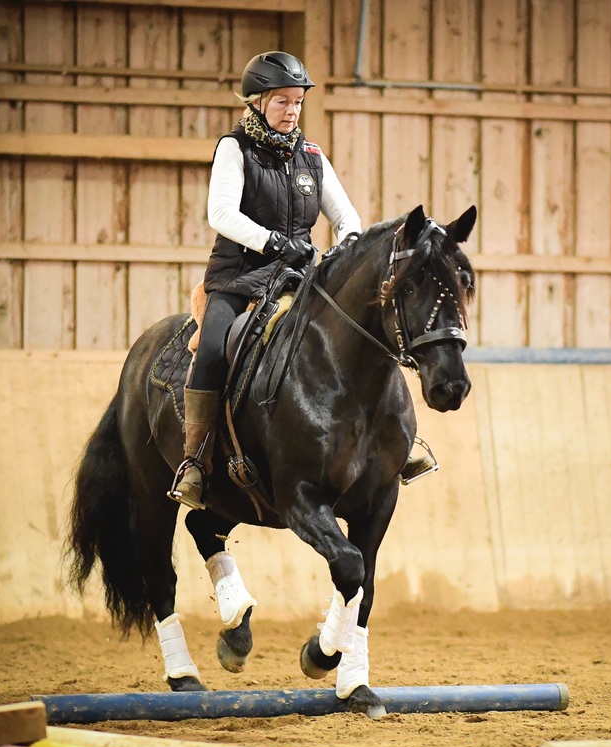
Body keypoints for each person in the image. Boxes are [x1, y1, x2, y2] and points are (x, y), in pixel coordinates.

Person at [169, 51, 434, 510]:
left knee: (365, 332)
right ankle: (194, 460)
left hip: (300, 277)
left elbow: (346, 218)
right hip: (240, 278)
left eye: (297, 102)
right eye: (282, 102)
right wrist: (273, 242)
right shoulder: (234, 149)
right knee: (212, 348)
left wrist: (344, 251)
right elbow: (221, 214)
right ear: (256, 102)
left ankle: (398, 439)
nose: (292, 111)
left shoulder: (312, 156)